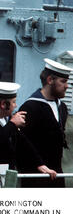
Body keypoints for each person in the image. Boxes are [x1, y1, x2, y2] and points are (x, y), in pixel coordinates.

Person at [0, 81, 57, 181]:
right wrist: (12, 125)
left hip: (4, 178)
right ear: (3, 104)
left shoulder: (5, 119)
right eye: (13, 102)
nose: (15, 105)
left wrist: (39, 164)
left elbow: (22, 142)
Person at [17, 58, 72, 187]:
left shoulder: (62, 107)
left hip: (57, 174)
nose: (67, 86)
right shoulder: (30, 107)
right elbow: (22, 142)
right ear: (50, 80)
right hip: (36, 176)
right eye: (63, 81)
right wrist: (38, 164)